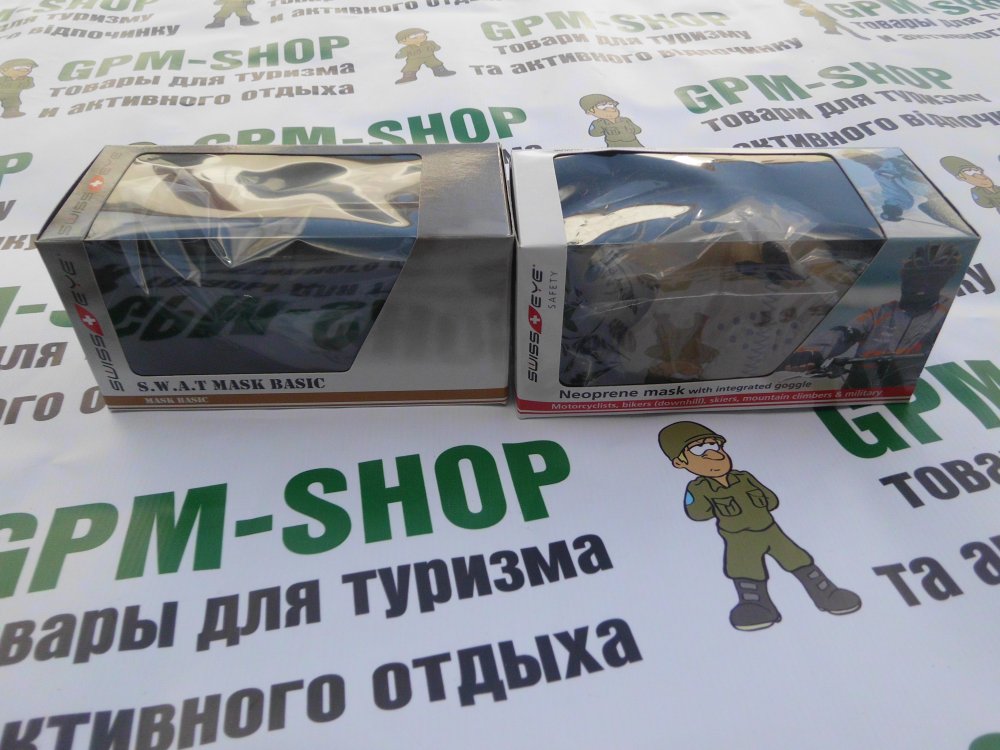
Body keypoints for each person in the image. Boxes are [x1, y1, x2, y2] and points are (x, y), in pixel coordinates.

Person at [659, 421, 861, 631]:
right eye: (699, 449)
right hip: (738, 537)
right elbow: (698, 514)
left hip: (770, 530)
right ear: (680, 462)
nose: (713, 454)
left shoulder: (744, 478)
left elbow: (770, 499)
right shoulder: (699, 488)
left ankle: (828, 595)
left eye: (714, 445)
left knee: (798, 559)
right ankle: (756, 606)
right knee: (745, 569)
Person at [786, 244, 963, 388]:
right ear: (904, 274)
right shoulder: (880, 313)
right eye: (916, 277)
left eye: (933, 279)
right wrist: (812, 351)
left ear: (944, 281)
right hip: (859, 387)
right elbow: (844, 333)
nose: (922, 284)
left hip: (907, 388)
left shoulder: (947, 312)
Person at [579, 94, 644, 148]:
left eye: (611, 105)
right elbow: (594, 134)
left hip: (637, 147)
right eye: (602, 106)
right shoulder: (598, 123)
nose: (610, 108)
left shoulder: (626, 120)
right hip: (615, 151)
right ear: (589, 112)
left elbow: (638, 130)